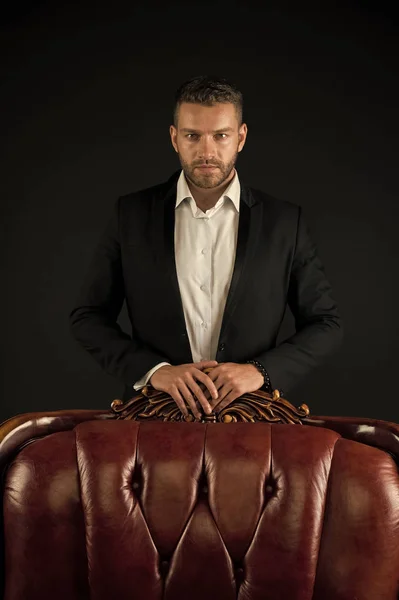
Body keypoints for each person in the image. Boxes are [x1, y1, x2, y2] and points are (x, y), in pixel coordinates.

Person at [69, 75, 343, 420]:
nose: (207, 151)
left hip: (254, 419)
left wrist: (260, 371)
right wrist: (155, 371)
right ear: (174, 138)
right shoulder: (131, 214)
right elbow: (87, 317)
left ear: (241, 138)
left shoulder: (286, 222)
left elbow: (326, 323)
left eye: (221, 135)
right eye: (192, 136)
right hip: (151, 417)